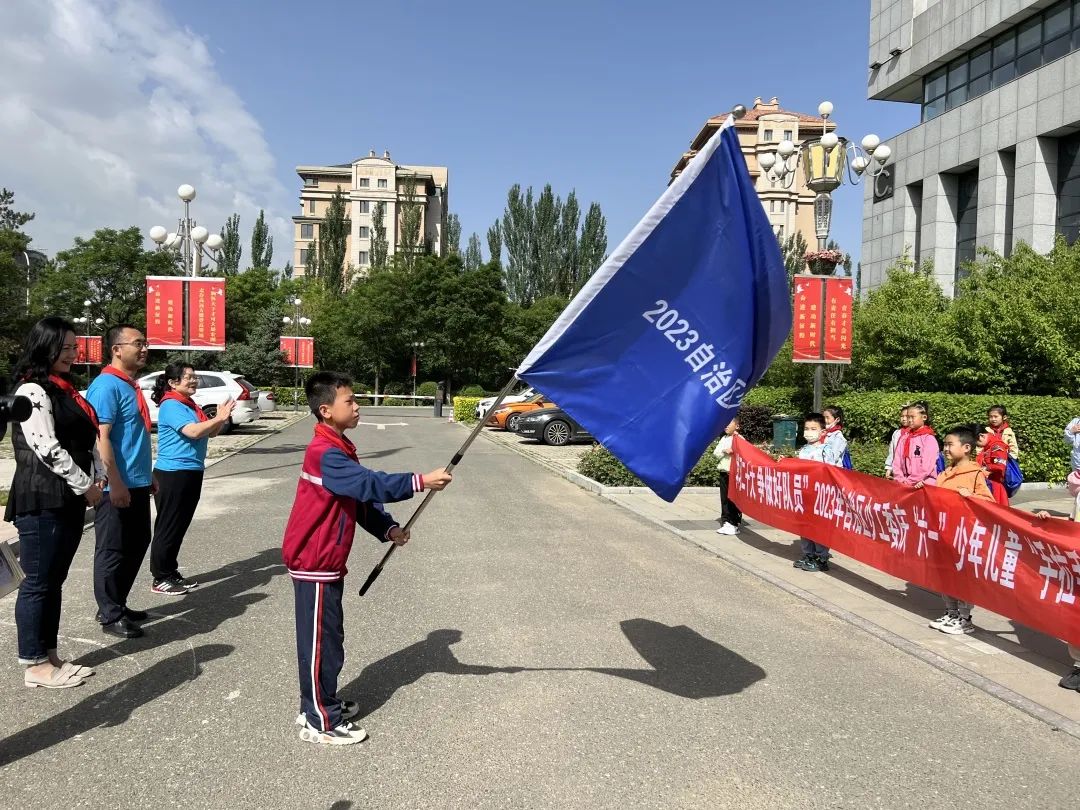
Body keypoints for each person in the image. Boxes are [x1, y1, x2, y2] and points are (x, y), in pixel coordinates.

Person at [283, 371, 453, 745]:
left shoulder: (340, 446)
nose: (357, 406)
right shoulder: (324, 453)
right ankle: (317, 720)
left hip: (327, 559)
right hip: (313, 559)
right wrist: (419, 481)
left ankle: (322, 701)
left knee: (330, 637)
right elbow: (369, 484)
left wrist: (388, 529)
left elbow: (359, 501)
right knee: (319, 643)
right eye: (350, 401)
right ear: (326, 410)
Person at [6, 318, 103, 688]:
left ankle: (49, 654)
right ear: (44, 347)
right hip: (43, 497)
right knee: (38, 582)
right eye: (64, 348)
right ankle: (34, 664)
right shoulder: (32, 391)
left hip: (68, 497)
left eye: (74, 347)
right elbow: (46, 448)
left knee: (54, 579)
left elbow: (86, 440)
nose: (72, 354)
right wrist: (86, 486)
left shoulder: (64, 389)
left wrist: (99, 475)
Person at [86, 325, 153, 639]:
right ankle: (109, 614)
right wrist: (115, 481)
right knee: (112, 549)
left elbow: (134, 437)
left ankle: (117, 602)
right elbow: (103, 439)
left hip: (137, 481)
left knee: (137, 542)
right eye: (138, 343)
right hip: (116, 484)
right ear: (116, 348)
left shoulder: (130, 385)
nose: (144, 349)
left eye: (145, 343)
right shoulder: (106, 386)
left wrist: (145, 475)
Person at [148, 363, 235, 595]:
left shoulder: (190, 405)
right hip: (173, 473)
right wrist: (219, 418)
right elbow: (193, 432)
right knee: (168, 526)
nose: (194, 380)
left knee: (179, 525)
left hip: (191, 471)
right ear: (173, 383)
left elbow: (210, 432)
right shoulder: (171, 405)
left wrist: (220, 417)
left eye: (194, 376)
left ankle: (170, 571)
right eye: (188, 377)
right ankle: (160, 577)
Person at [927, 426, 994, 636]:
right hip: (945, 532)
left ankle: (965, 617)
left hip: (964, 535)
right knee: (945, 573)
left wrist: (971, 497)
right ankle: (951, 611)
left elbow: (990, 503)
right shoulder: (944, 473)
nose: (945, 448)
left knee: (963, 576)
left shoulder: (975, 474)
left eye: (949, 444)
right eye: (944, 444)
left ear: (966, 448)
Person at [1032, 509, 1080, 692]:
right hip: (1075, 561)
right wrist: (1050, 519)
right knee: (1075, 614)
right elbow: (1072, 519)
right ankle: (1078, 666)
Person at [793, 413, 842, 572]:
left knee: (819, 526)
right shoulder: (803, 450)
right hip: (804, 494)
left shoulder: (826, 450)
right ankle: (808, 554)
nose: (809, 431)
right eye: (806, 428)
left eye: (813, 429)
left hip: (820, 496)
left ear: (822, 432)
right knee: (805, 525)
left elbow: (831, 471)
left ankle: (821, 557)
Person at [891, 401, 939, 487]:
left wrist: (909, 482)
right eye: (908, 417)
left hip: (922, 484)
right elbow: (897, 461)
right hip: (903, 483)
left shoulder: (929, 439)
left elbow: (926, 468)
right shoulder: (904, 437)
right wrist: (900, 479)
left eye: (912, 417)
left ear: (924, 417)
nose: (909, 420)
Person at [713, 417, 742, 536]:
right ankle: (726, 522)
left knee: (733, 499)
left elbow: (743, 454)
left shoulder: (739, 439)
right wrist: (725, 451)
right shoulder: (724, 438)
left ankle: (734, 523)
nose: (726, 425)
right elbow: (716, 453)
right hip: (724, 472)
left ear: (737, 426)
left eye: (729, 423)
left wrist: (734, 451)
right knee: (724, 498)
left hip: (734, 474)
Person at [976, 424, 1010, 506]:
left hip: (995, 488)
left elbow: (999, 467)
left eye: (976, 442)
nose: (976, 445)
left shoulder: (997, 446)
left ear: (982, 436)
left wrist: (983, 471)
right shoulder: (987, 447)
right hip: (986, 487)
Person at [883, 405, 910, 479]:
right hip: (898, 469)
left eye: (907, 416)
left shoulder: (914, 434)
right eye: (902, 416)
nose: (904, 419)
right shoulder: (897, 433)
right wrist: (889, 468)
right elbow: (892, 452)